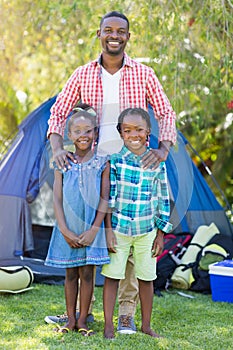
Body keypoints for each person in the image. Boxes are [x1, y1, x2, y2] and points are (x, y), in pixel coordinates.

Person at [46, 10, 177, 333]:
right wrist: (57, 147)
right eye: (108, 30)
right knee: (94, 238)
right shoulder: (82, 74)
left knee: (128, 240)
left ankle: (127, 314)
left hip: (130, 167)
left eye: (121, 31)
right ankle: (80, 314)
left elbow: (165, 111)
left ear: (128, 37)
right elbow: (58, 111)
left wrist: (163, 148)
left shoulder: (144, 74)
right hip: (94, 167)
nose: (114, 35)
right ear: (99, 34)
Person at [102, 108, 173, 339]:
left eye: (139, 130)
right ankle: (109, 326)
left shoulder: (157, 163)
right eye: (128, 130)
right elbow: (109, 197)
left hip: (146, 232)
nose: (134, 135)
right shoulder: (115, 161)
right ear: (121, 133)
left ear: (148, 132)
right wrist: (109, 230)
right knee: (113, 276)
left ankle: (146, 325)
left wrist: (161, 234)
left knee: (146, 278)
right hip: (120, 229)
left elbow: (163, 198)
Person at [45, 105, 110, 335]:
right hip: (68, 227)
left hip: (90, 228)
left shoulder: (102, 162)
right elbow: (57, 197)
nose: (83, 135)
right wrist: (63, 229)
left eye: (88, 130)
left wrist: (94, 230)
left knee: (88, 274)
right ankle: (70, 319)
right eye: (78, 131)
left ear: (95, 133)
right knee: (71, 273)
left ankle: (83, 319)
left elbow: (105, 198)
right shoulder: (62, 162)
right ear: (69, 135)